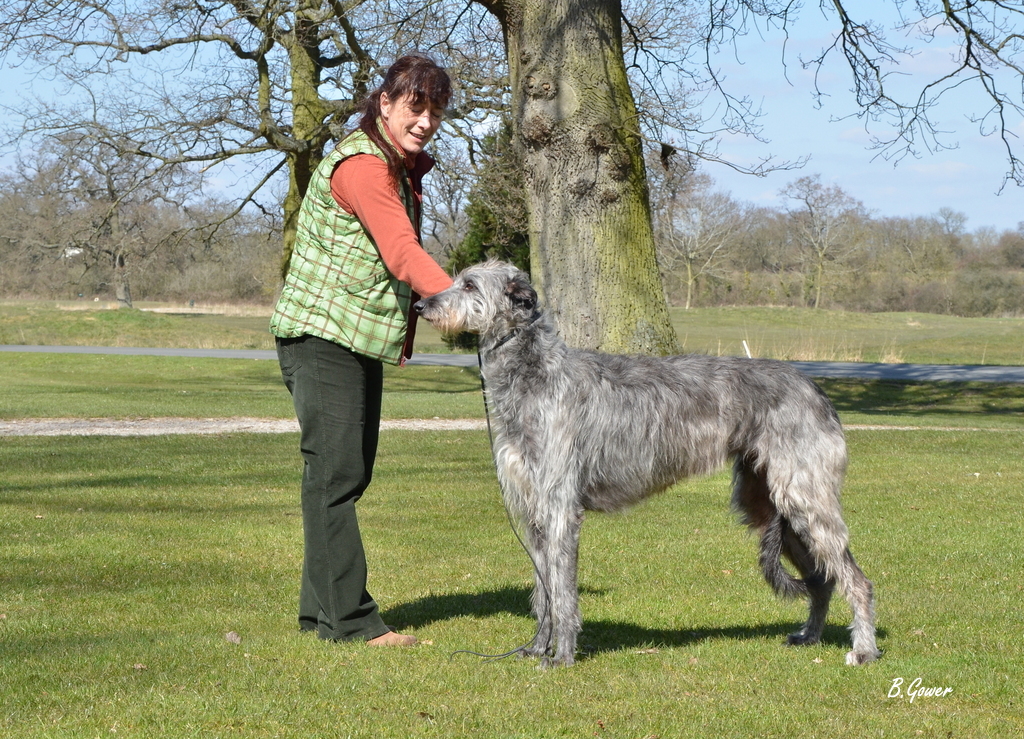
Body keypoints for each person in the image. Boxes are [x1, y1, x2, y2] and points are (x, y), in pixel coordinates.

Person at [269, 54, 454, 647]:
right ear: (386, 103)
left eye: (436, 112)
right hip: (321, 337)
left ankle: (318, 614)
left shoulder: (391, 166)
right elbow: (401, 253)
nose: (425, 122)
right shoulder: (365, 168)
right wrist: (470, 304)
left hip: (348, 341)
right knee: (337, 475)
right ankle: (352, 623)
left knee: (339, 473)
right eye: (415, 107)